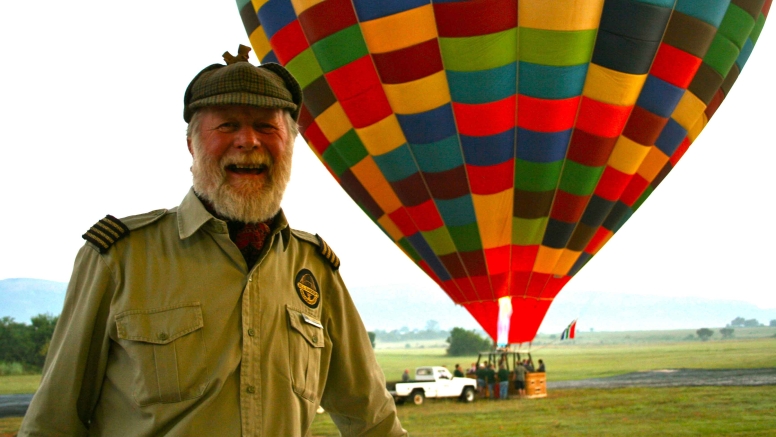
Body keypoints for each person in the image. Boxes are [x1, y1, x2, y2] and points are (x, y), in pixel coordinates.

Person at [18, 45, 406, 437]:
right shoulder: (119, 258)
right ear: (192, 144)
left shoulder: (314, 270)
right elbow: (52, 423)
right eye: (227, 126)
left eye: (267, 127)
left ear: (290, 145)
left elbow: (373, 421)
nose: (248, 141)